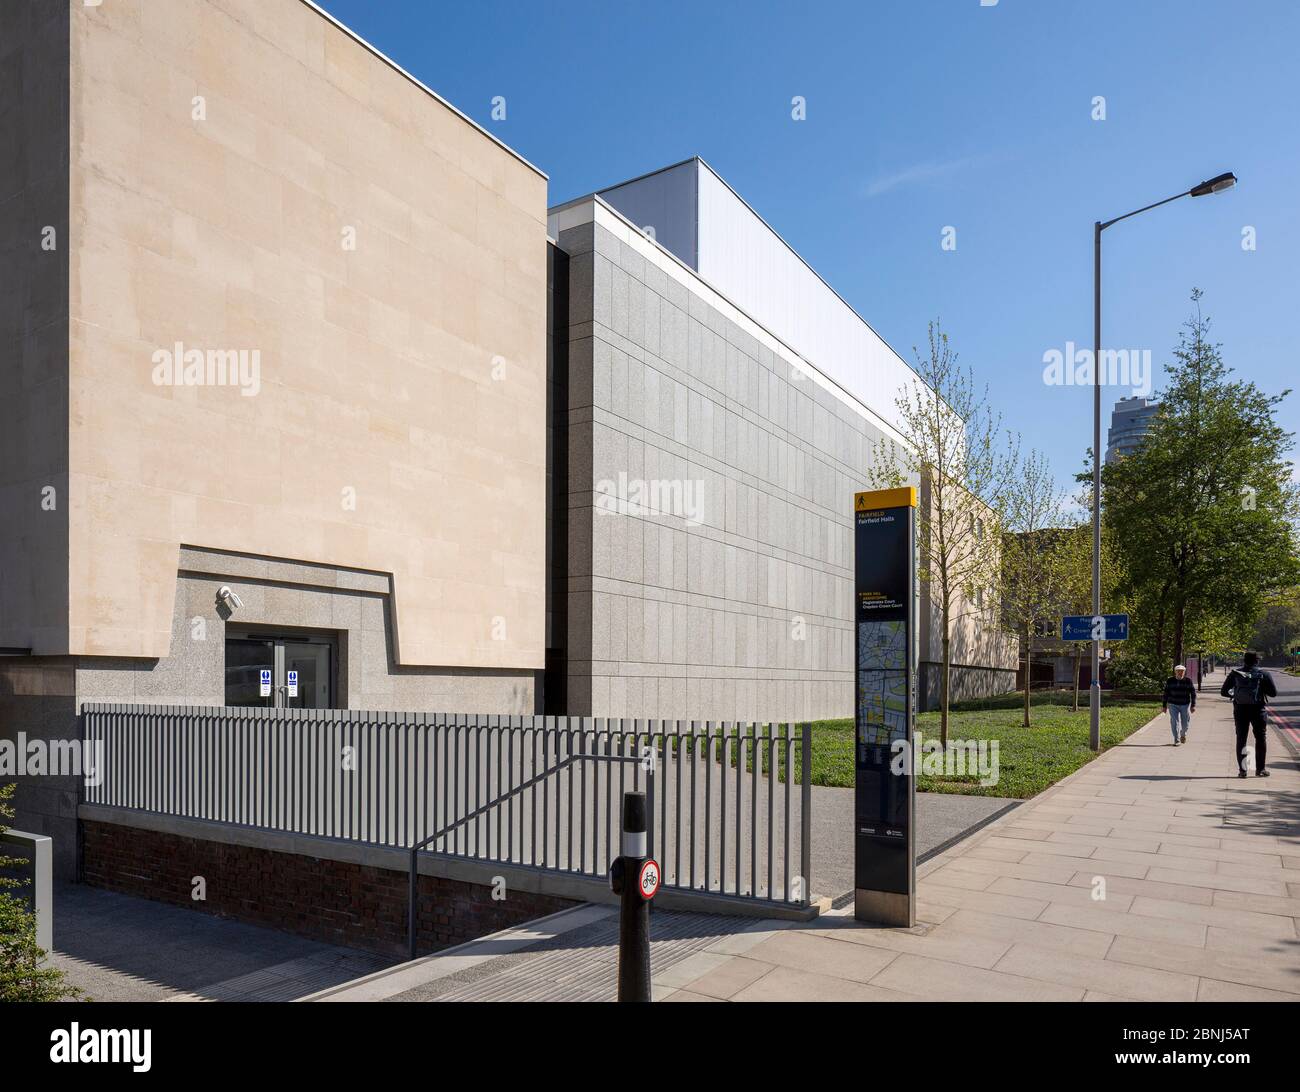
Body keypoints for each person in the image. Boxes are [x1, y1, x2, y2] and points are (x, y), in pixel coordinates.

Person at [1220, 651, 1277, 778]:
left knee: (1241, 739)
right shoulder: (1264, 674)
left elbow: (1223, 692)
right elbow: (1273, 693)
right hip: (1258, 710)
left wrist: (1236, 695)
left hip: (1240, 709)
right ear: (1257, 661)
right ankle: (1260, 769)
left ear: (1243, 660)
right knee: (1261, 738)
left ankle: (1243, 770)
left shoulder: (1235, 674)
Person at [1161, 664, 1196, 745]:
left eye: (1182, 671)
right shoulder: (1170, 680)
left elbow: (1193, 693)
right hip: (1172, 704)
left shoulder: (1188, 681)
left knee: (1185, 723)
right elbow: (1166, 693)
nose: (1180, 673)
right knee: (1174, 721)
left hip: (1184, 704)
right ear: (1175, 672)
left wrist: (1193, 705)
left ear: (1184, 672)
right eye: (1178, 671)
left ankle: (1183, 734)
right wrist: (1164, 706)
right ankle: (1176, 739)